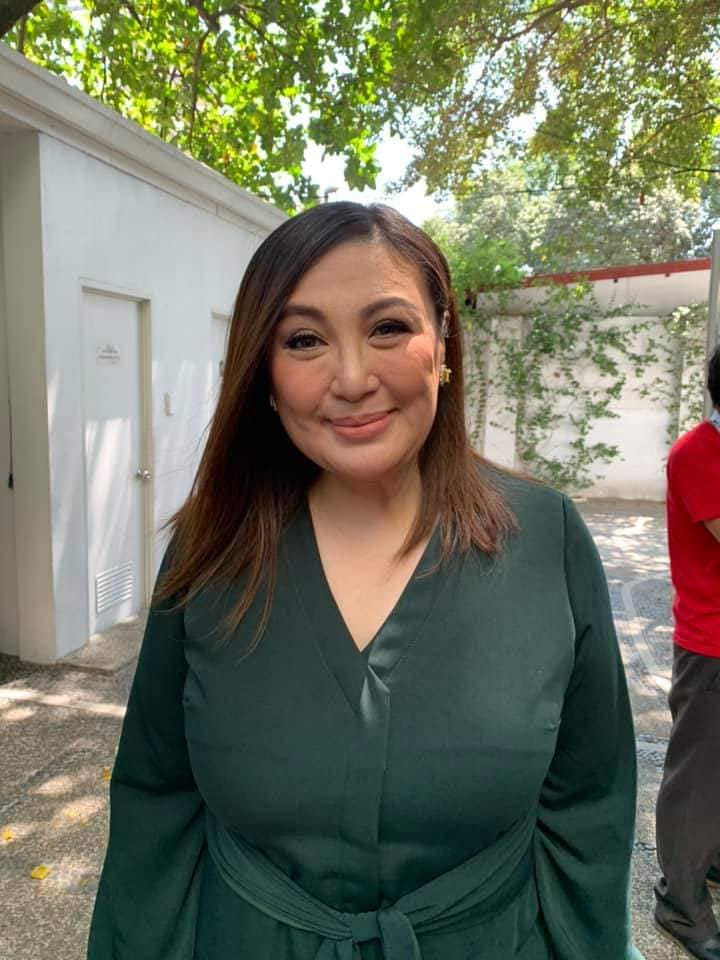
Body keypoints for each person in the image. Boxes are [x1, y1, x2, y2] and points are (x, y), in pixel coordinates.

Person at [87, 202, 643, 959]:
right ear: (264, 371)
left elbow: (591, 803)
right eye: (304, 340)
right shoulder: (210, 552)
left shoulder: (546, 538)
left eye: (387, 327)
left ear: (442, 341)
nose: (351, 379)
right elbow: (156, 795)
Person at [654, 345, 720, 959]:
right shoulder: (698, 452)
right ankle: (679, 903)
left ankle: (711, 860)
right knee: (697, 780)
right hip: (711, 643)